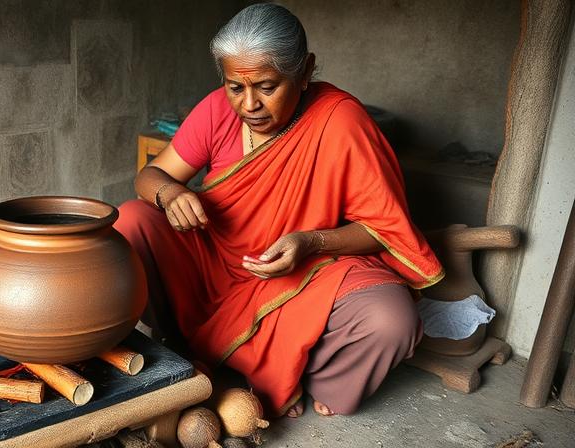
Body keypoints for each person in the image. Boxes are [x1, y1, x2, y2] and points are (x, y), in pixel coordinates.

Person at [114, 3, 443, 418]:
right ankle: (183, 341)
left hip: (299, 271)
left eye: (267, 87)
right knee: (131, 220)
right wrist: (170, 194)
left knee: (391, 319)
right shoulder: (216, 109)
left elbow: (380, 227)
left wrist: (310, 241)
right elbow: (153, 175)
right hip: (213, 264)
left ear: (304, 72)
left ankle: (301, 376)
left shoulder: (341, 121)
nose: (249, 104)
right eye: (236, 87)